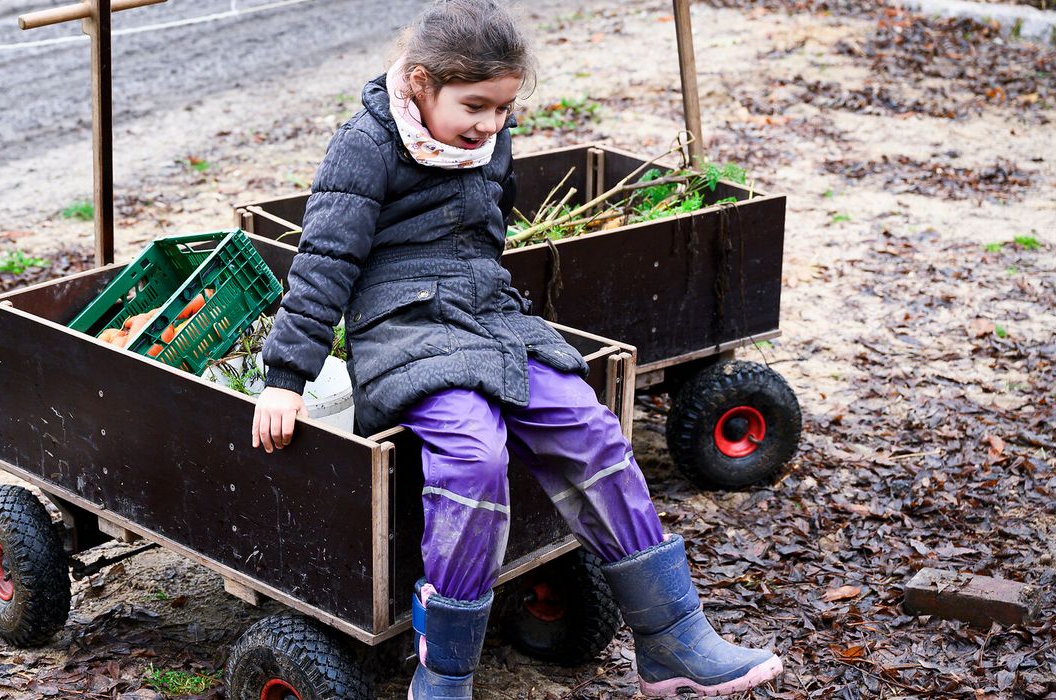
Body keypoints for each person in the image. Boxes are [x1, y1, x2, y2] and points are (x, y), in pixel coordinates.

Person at [250, 1, 783, 696]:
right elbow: (324, 260)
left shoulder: (489, 136)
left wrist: (485, 291)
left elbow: (489, 223)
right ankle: (443, 677)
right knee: (474, 455)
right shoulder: (366, 144)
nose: (491, 126)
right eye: (475, 106)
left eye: (503, 109)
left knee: (589, 426)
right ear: (418, 83)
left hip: (487, 312)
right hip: (401, 328)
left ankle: (672, 639)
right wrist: (286, 375)